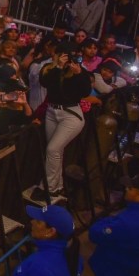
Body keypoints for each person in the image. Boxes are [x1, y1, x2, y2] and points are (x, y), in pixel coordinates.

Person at [35, 42, 91, 202]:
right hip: (52, 112)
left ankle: (49, 188)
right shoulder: (49, 69)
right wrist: (58, 67)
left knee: (53, 149)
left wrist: (79, 73)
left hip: (71, 114)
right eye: (62, 55)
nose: (66, 59)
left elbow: (85, 91)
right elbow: (45, 83)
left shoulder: (80, 72)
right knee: (55, 151)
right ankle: (58, 186)